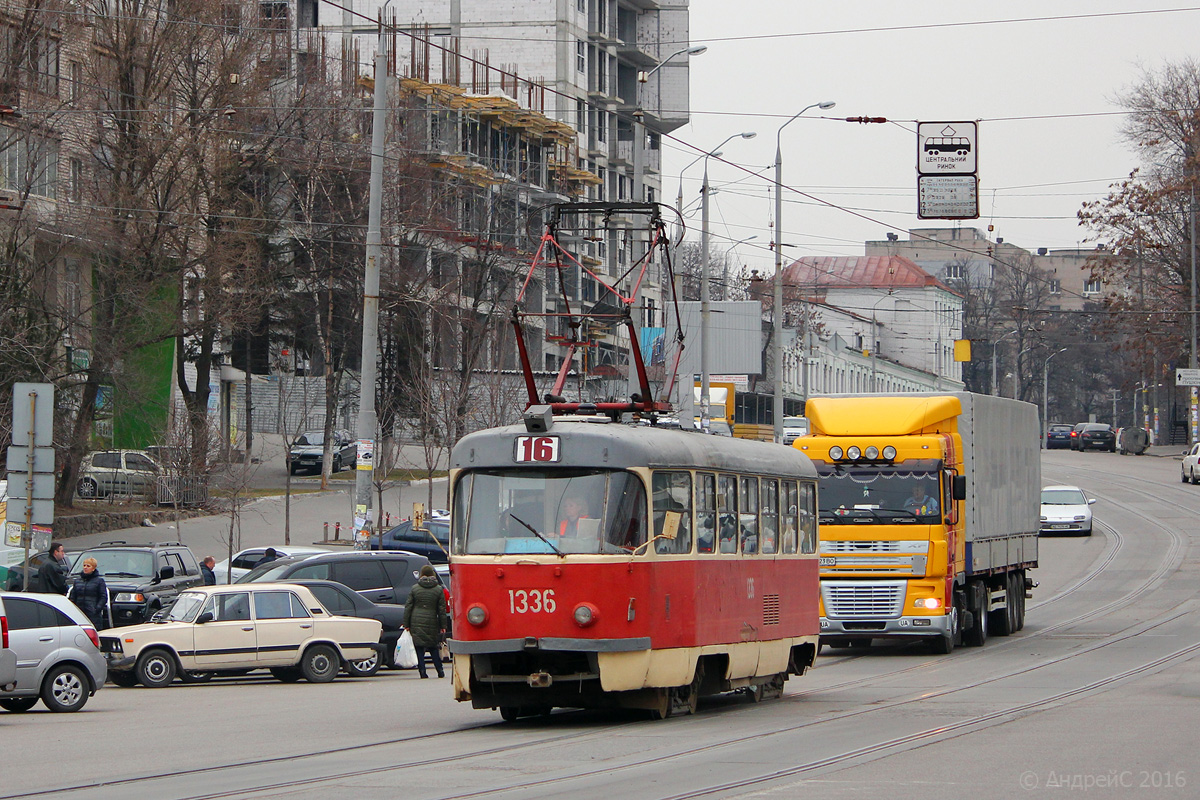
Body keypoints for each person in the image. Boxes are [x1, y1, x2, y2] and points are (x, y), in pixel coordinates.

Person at [403, 565, 448, 679]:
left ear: (422, 574)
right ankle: (440, 670)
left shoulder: (415, 588)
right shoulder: (438, 589)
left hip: (416, 619)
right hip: (432, 619)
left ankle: (422, 672)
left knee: (419, 647)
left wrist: (406, 624)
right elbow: (441, 610)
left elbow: (408, 607)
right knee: (433, 646)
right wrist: (443, 625)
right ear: (433, 574)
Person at [68, 557, 110, 630]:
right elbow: (73, 597)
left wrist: (97, 609)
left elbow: (103, 597)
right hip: (79, 612)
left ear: (93, 568)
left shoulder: (99, 581)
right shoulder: (77, 581)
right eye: (84, 565)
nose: (85, 568)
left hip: (93, 614)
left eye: (88, 566)